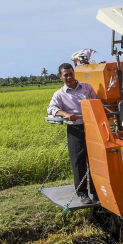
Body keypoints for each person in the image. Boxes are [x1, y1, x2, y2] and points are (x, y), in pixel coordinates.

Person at [47, 63, 99, 205]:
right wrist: (66, 114)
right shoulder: (59, 94)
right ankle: (82, 193)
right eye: (65, 75)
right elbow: (51, 108)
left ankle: (97, 192)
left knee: (95, 160)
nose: (69, 77)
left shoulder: (87, 87)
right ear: (60, 77)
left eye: (71, 73)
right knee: (78, 162)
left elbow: (97, 102)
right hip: (75, 129)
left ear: (74, 73)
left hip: (92, 127)